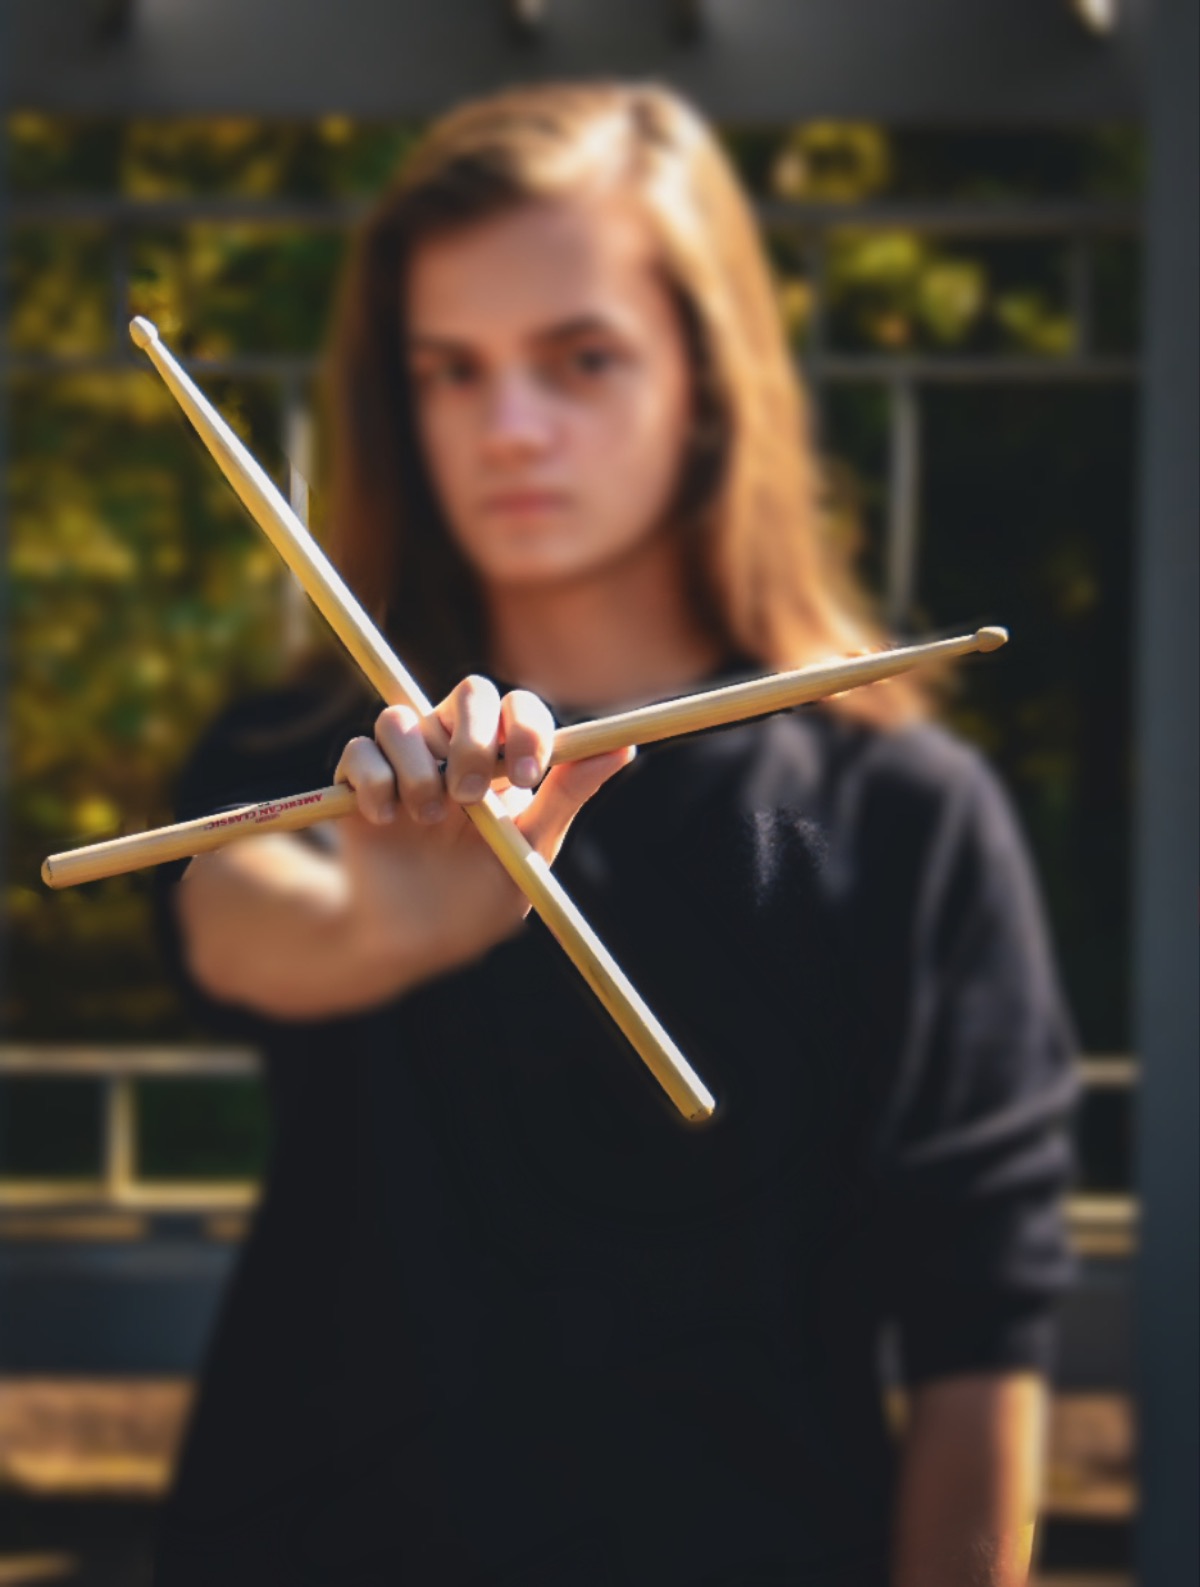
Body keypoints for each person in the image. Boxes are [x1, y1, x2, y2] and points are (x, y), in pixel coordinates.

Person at [150, 81, 1080, 1587]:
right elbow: (229, 913)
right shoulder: (324, 748)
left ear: (709, 378)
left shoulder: (905, 816)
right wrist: (385, 926)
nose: (509, 428)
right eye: (451, 370)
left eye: (580, 359)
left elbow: (981, 1336)